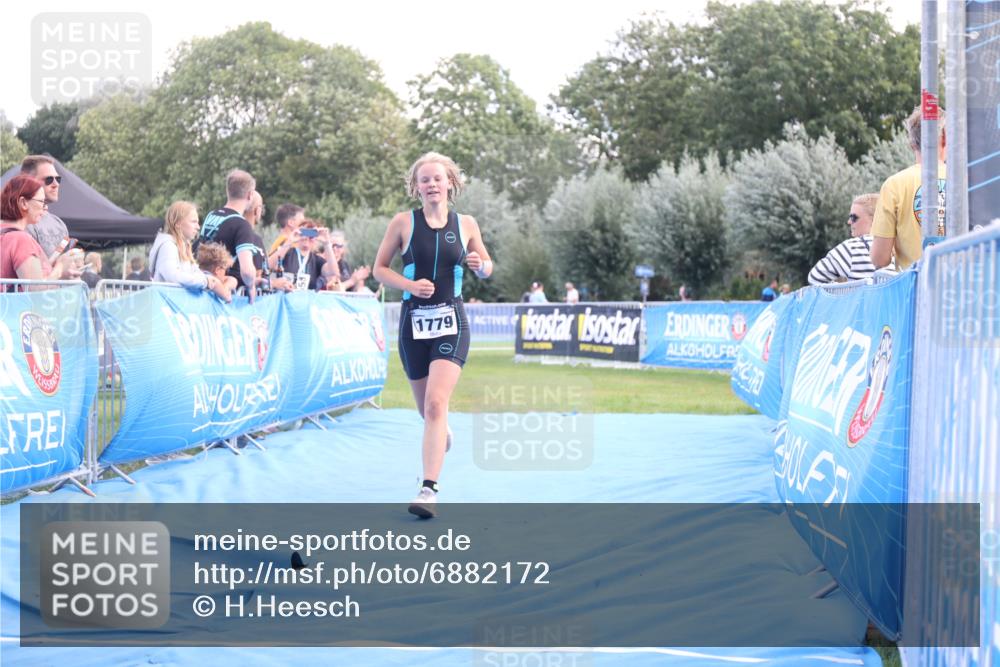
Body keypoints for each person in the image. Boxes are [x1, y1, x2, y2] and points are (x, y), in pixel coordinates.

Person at [373, 152, 494, 519]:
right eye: (424, 180)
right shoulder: (402, 223)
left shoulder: (467, 224)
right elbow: (379, 270)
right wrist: (409, 284)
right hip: (413, 324)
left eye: (437, 178)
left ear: (450, 183)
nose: (431, 185)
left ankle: (428, 490)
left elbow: (487, 267)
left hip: (452, 321)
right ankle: (441, 432)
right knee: (426, 410)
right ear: (416, 186)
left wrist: (480, 265)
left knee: (436, 405)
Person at [871, 106, 947, 271]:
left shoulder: (894, 185)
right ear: (945, 138)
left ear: (912, 143)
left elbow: (879, 258)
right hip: (963, 286)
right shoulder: (966, 181)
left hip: (915, 288)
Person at [1, 175, 73, 288]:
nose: (45, 208)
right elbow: (37, 292)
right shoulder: (21, 240)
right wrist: (60, 269)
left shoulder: (5, 236)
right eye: (41, 202)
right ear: (23, 203)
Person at [150, 201, 231, 301]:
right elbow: (173, 277)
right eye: (193, 222)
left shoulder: (183, 247)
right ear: (178, 223)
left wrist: (216, 280)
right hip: (165, 307)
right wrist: (207, 281)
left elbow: (196, 274)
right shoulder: (168, 246)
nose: (198, 227)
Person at [199, 169, 261, 302]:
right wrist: (251, 286)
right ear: (250, 195)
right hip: (221, 291)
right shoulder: (242, 225)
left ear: (228, 191)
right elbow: (247, 271)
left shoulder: (211, 215)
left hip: (203, 284)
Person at [808, 193, 880, 285]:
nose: (849, 222)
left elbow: (815, 278)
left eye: (854, 217)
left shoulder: (854, 248)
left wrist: (844, 291)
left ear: (875, 219)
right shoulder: (899, 246)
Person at [19, 155, 69, 258]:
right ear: (28, 181)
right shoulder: (21, 223)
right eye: (49, 179)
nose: (56, 184)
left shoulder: (59, 224)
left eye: (58, 179)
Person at [276, 220, 339, 290]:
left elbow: (334, 273)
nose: (306, 237)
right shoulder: (287, 253)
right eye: (304, 232)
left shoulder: (316, 260)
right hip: (285, 297)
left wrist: (327, 243)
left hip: (307, 299)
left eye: (311, 234)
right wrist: (290, 241)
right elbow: (270, 265)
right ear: (297, 233)